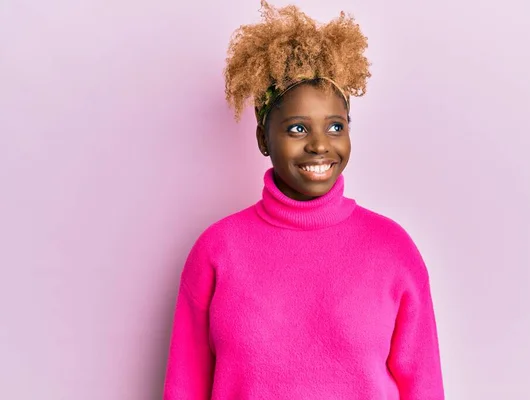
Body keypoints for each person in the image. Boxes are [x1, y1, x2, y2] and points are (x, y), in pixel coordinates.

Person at [163, 1, 444, 399]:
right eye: (297, 128)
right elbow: (184, 389)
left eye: (335, 126)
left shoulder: (393, 250)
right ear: (264, 138)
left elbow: (425, 389)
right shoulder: (217, 251)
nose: (319, 145)